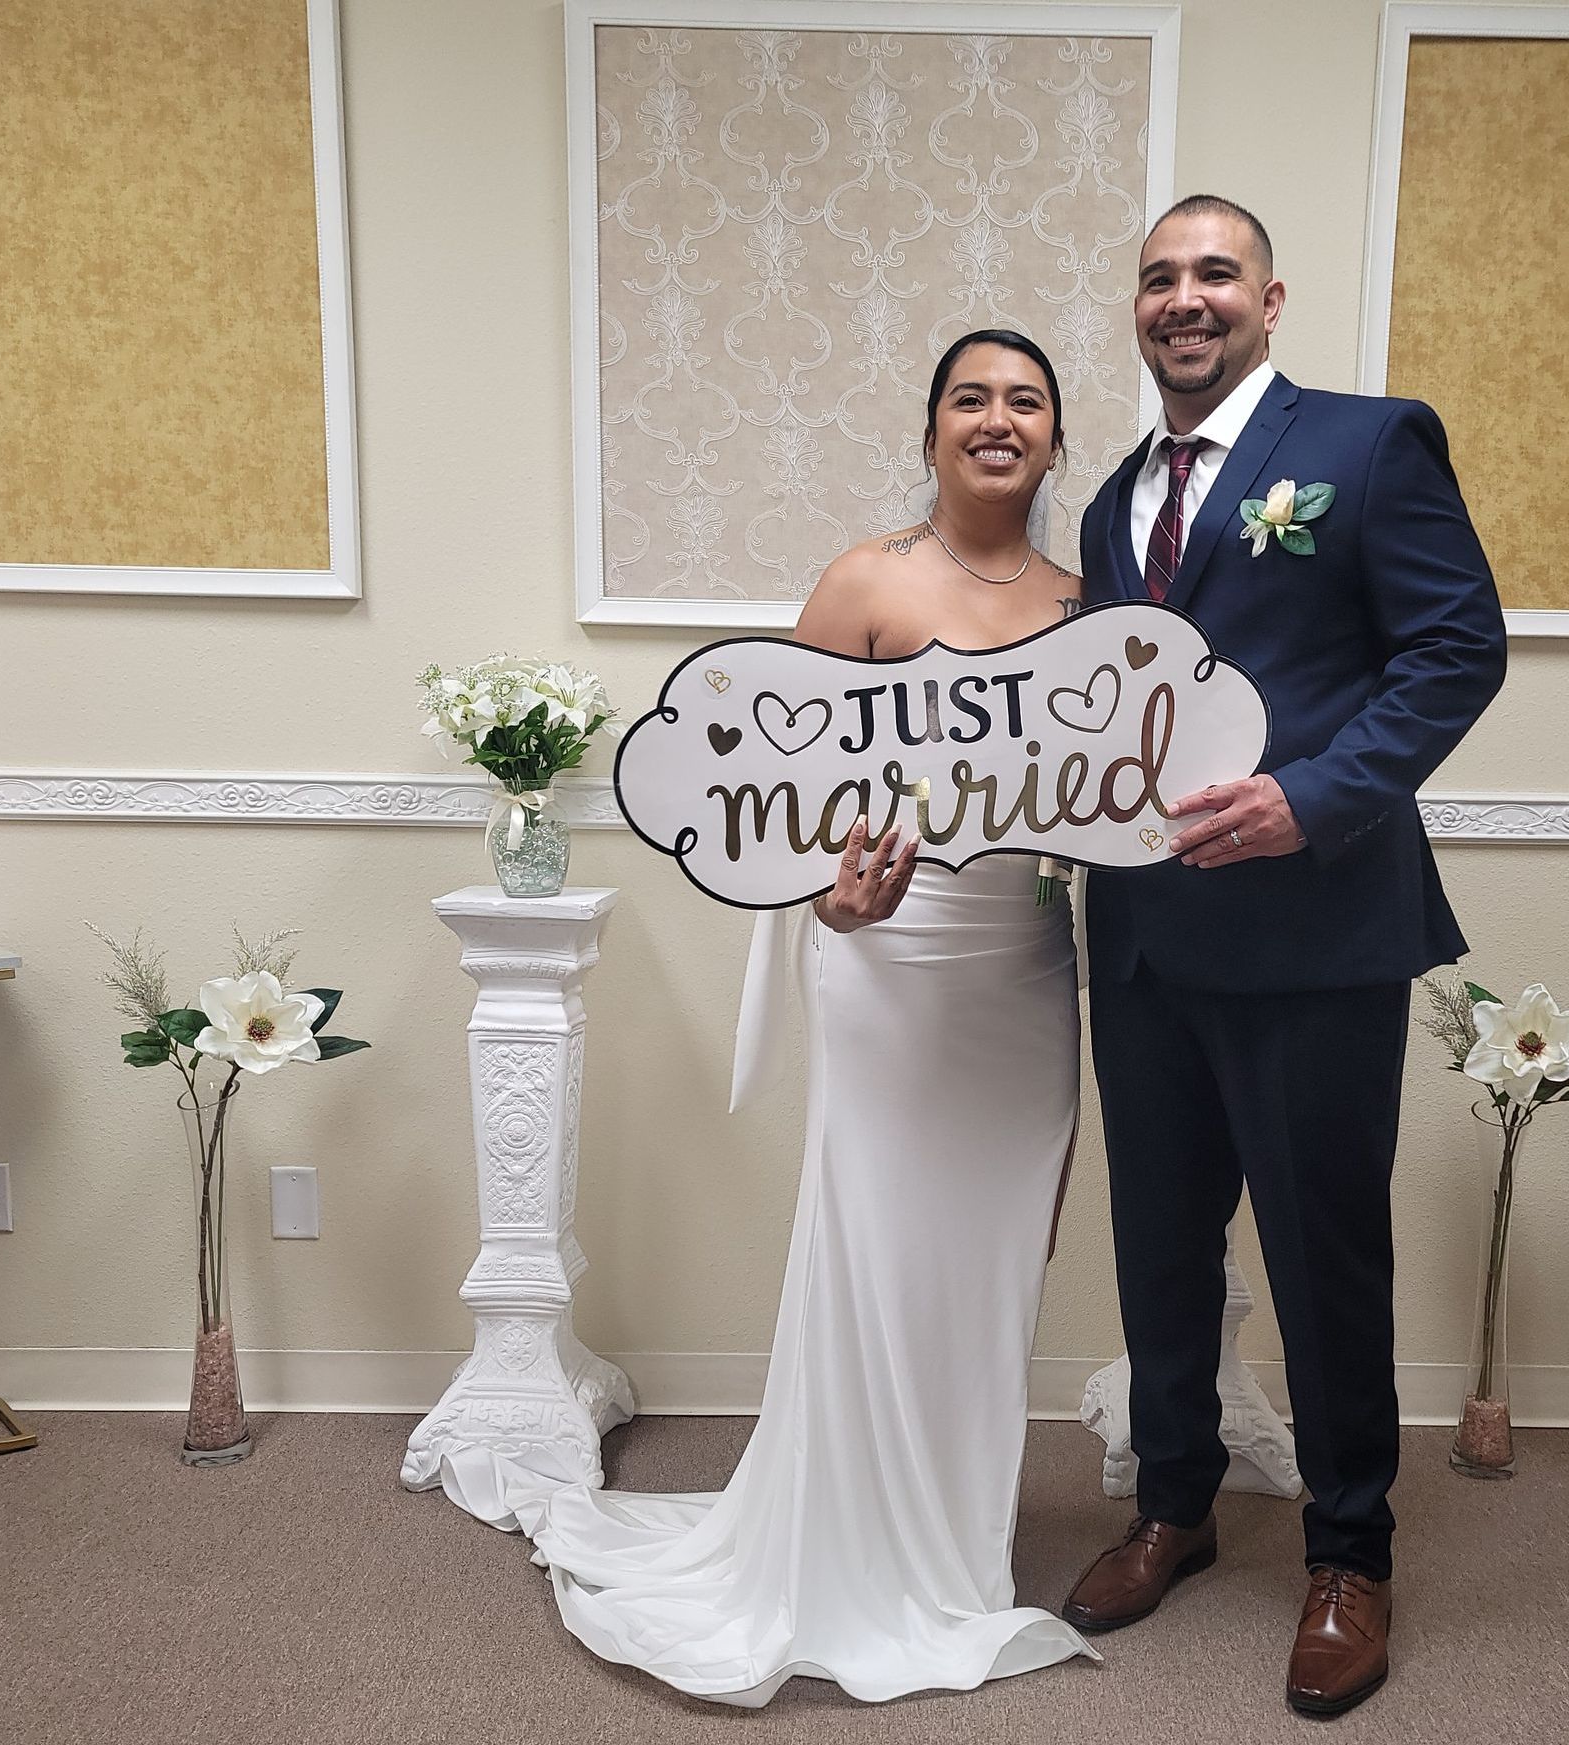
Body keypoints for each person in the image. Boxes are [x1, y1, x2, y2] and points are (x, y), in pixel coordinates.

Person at [506, 331, 1098, 1706]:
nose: (997, 420)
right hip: (891, 964)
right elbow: (780, 789)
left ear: (1057, 441)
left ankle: (955, 1549)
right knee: (880, 1248)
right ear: (932, 430)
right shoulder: (867, 580)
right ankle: (847, 1547)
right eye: (970, 399)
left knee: (994, 1257)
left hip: (1024, 968)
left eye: (1025, 402)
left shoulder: (1092, 604)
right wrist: (833, 904)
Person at [1060, 196, 1506, 1718]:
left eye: (1213, 274)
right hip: (1141, 942)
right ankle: (1174, 1500)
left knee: (1325, 1258)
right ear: (1139, 308)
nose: (1184, 300)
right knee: (1159, 1248)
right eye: (1159, 278)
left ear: (1270, 297)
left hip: (1317, 936)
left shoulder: (1374, 444)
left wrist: (1310, 798)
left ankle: (1349, 1550)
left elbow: (1459, 649)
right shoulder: (1112, 502)